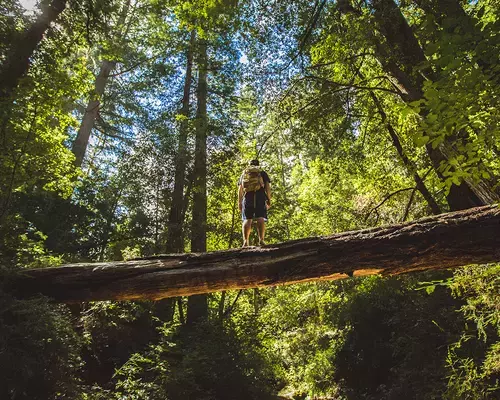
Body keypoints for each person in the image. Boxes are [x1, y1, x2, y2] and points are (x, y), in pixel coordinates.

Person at [238, 159, 271, 247]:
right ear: (258, 164)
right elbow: (267, 187)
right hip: (260, 197)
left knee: (247, 219)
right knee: (260, 217)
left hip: (247, 197)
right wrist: (269, 199)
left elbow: (240, 189)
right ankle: (261, 240)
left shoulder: (244, 173)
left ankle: (245, 241)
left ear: (249, 165)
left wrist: (240, 202)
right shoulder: (262, 173)